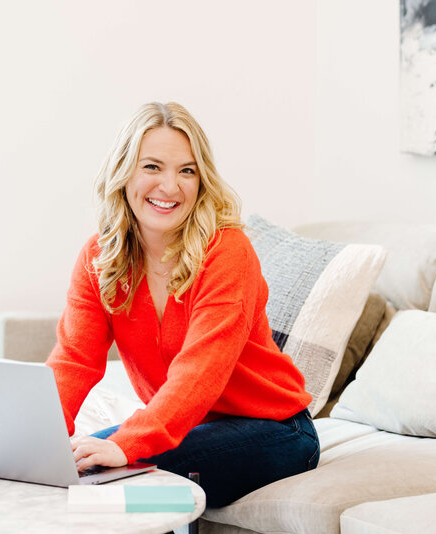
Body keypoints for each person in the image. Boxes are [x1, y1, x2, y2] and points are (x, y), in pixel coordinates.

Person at [46, 102, 319, 508]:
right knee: (56, 473)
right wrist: (35, 439)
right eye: (152, 167)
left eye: (186, 171)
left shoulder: (227, 252)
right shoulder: (98, 258)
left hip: (276, 429)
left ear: (201, 180)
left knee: (110, 493)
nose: (170, 187)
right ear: (123, 174)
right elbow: (74, 361)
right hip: (186, 427)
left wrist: (128, 444)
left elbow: (201, 370)